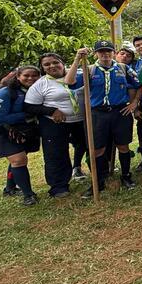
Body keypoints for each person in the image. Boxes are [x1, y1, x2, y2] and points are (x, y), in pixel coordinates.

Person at [65, 42, 142, 197]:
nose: (105, 54)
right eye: (101, 52)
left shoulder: (123, 69)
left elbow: (139, 85)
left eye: (108, 51)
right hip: (97, 114)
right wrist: (77, 60)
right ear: (96, 54)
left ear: (113, 53)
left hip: (120, 112)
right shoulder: (89, 70)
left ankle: (126, 176)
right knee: (97, 148)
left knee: (123, 145)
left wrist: (134, 103)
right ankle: (99, 180)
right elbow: (69, 82)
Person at [24, 53, 88, 198]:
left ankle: (98, 176)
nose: (52, 66)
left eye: (55, 62)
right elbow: (29, 106)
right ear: (42, 68)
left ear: (63, 62)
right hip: (55, 123)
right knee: (56, 154)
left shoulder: (79, 75)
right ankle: (59, 186)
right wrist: (51, 111)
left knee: (89, 146)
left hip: (82, 120)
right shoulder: (41, 84)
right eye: (47, 64)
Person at [0, 65, 42, 206]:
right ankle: (28, 195)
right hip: (3, 132)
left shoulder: (32, 91)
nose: (30, 78)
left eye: (34, 75)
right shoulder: (5, 93)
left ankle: (9, 188)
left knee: (18, 160)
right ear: (18, 76)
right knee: (19, 160)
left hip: (23, 131)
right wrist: (27, 115)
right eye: (26, 75)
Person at [130, 35, 142, 169]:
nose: (141, 47)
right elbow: (131, 87)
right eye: (138, 45)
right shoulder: (132, 65)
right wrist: (135, 108)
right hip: (141, 104)